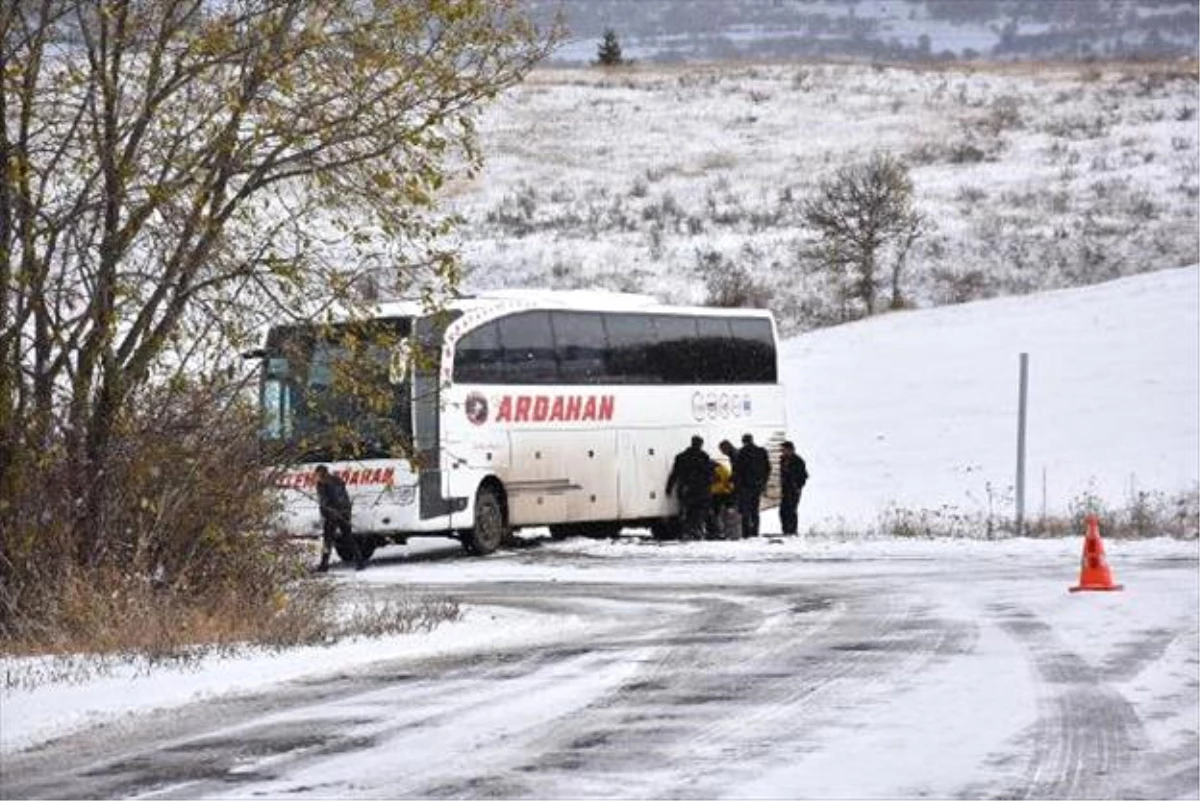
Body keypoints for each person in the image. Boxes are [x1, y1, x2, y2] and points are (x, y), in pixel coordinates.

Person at [315, 465, 365, 571]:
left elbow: (325, 501)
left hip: (333, 515)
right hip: (343, 512)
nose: (316, 477)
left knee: (328, 541)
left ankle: (324, 565)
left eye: (317, 474)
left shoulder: (323, 484)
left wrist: (327, 512)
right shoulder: (337, 480)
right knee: (348, 537)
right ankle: (359, 561)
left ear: (321, 473)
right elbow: (343, 498)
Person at [665, 435, 713, 541]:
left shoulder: (681, 456)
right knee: (699, 513)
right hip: (701, 490)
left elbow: (674, 474)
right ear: (700, 444)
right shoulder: (704, 456)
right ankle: (696, 531)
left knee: (686, 512)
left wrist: (669, 487)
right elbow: (709, 474)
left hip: (685, 488)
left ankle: (686, 532)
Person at [732, 433, 770, 538]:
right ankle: (755, 532)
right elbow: (767, 469)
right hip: (757, 485)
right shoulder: (761, 452)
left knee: (745, 511)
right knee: (755, 510)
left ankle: (746, 534)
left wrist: (737, 485)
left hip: (745, 486)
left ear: (743, 441)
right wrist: (763, 483)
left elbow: (737, 471)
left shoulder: (741, 453)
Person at [778, 440, 808, 535]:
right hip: (785, 489)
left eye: (784, 449)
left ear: (790, 449)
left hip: (794, 490)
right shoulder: (783, 460)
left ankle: (792, 531)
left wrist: (798, 486)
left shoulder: (798, 460)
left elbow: (804, 475)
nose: (782, 451)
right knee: (783, 511)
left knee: (791, 510)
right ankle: (785, 530)